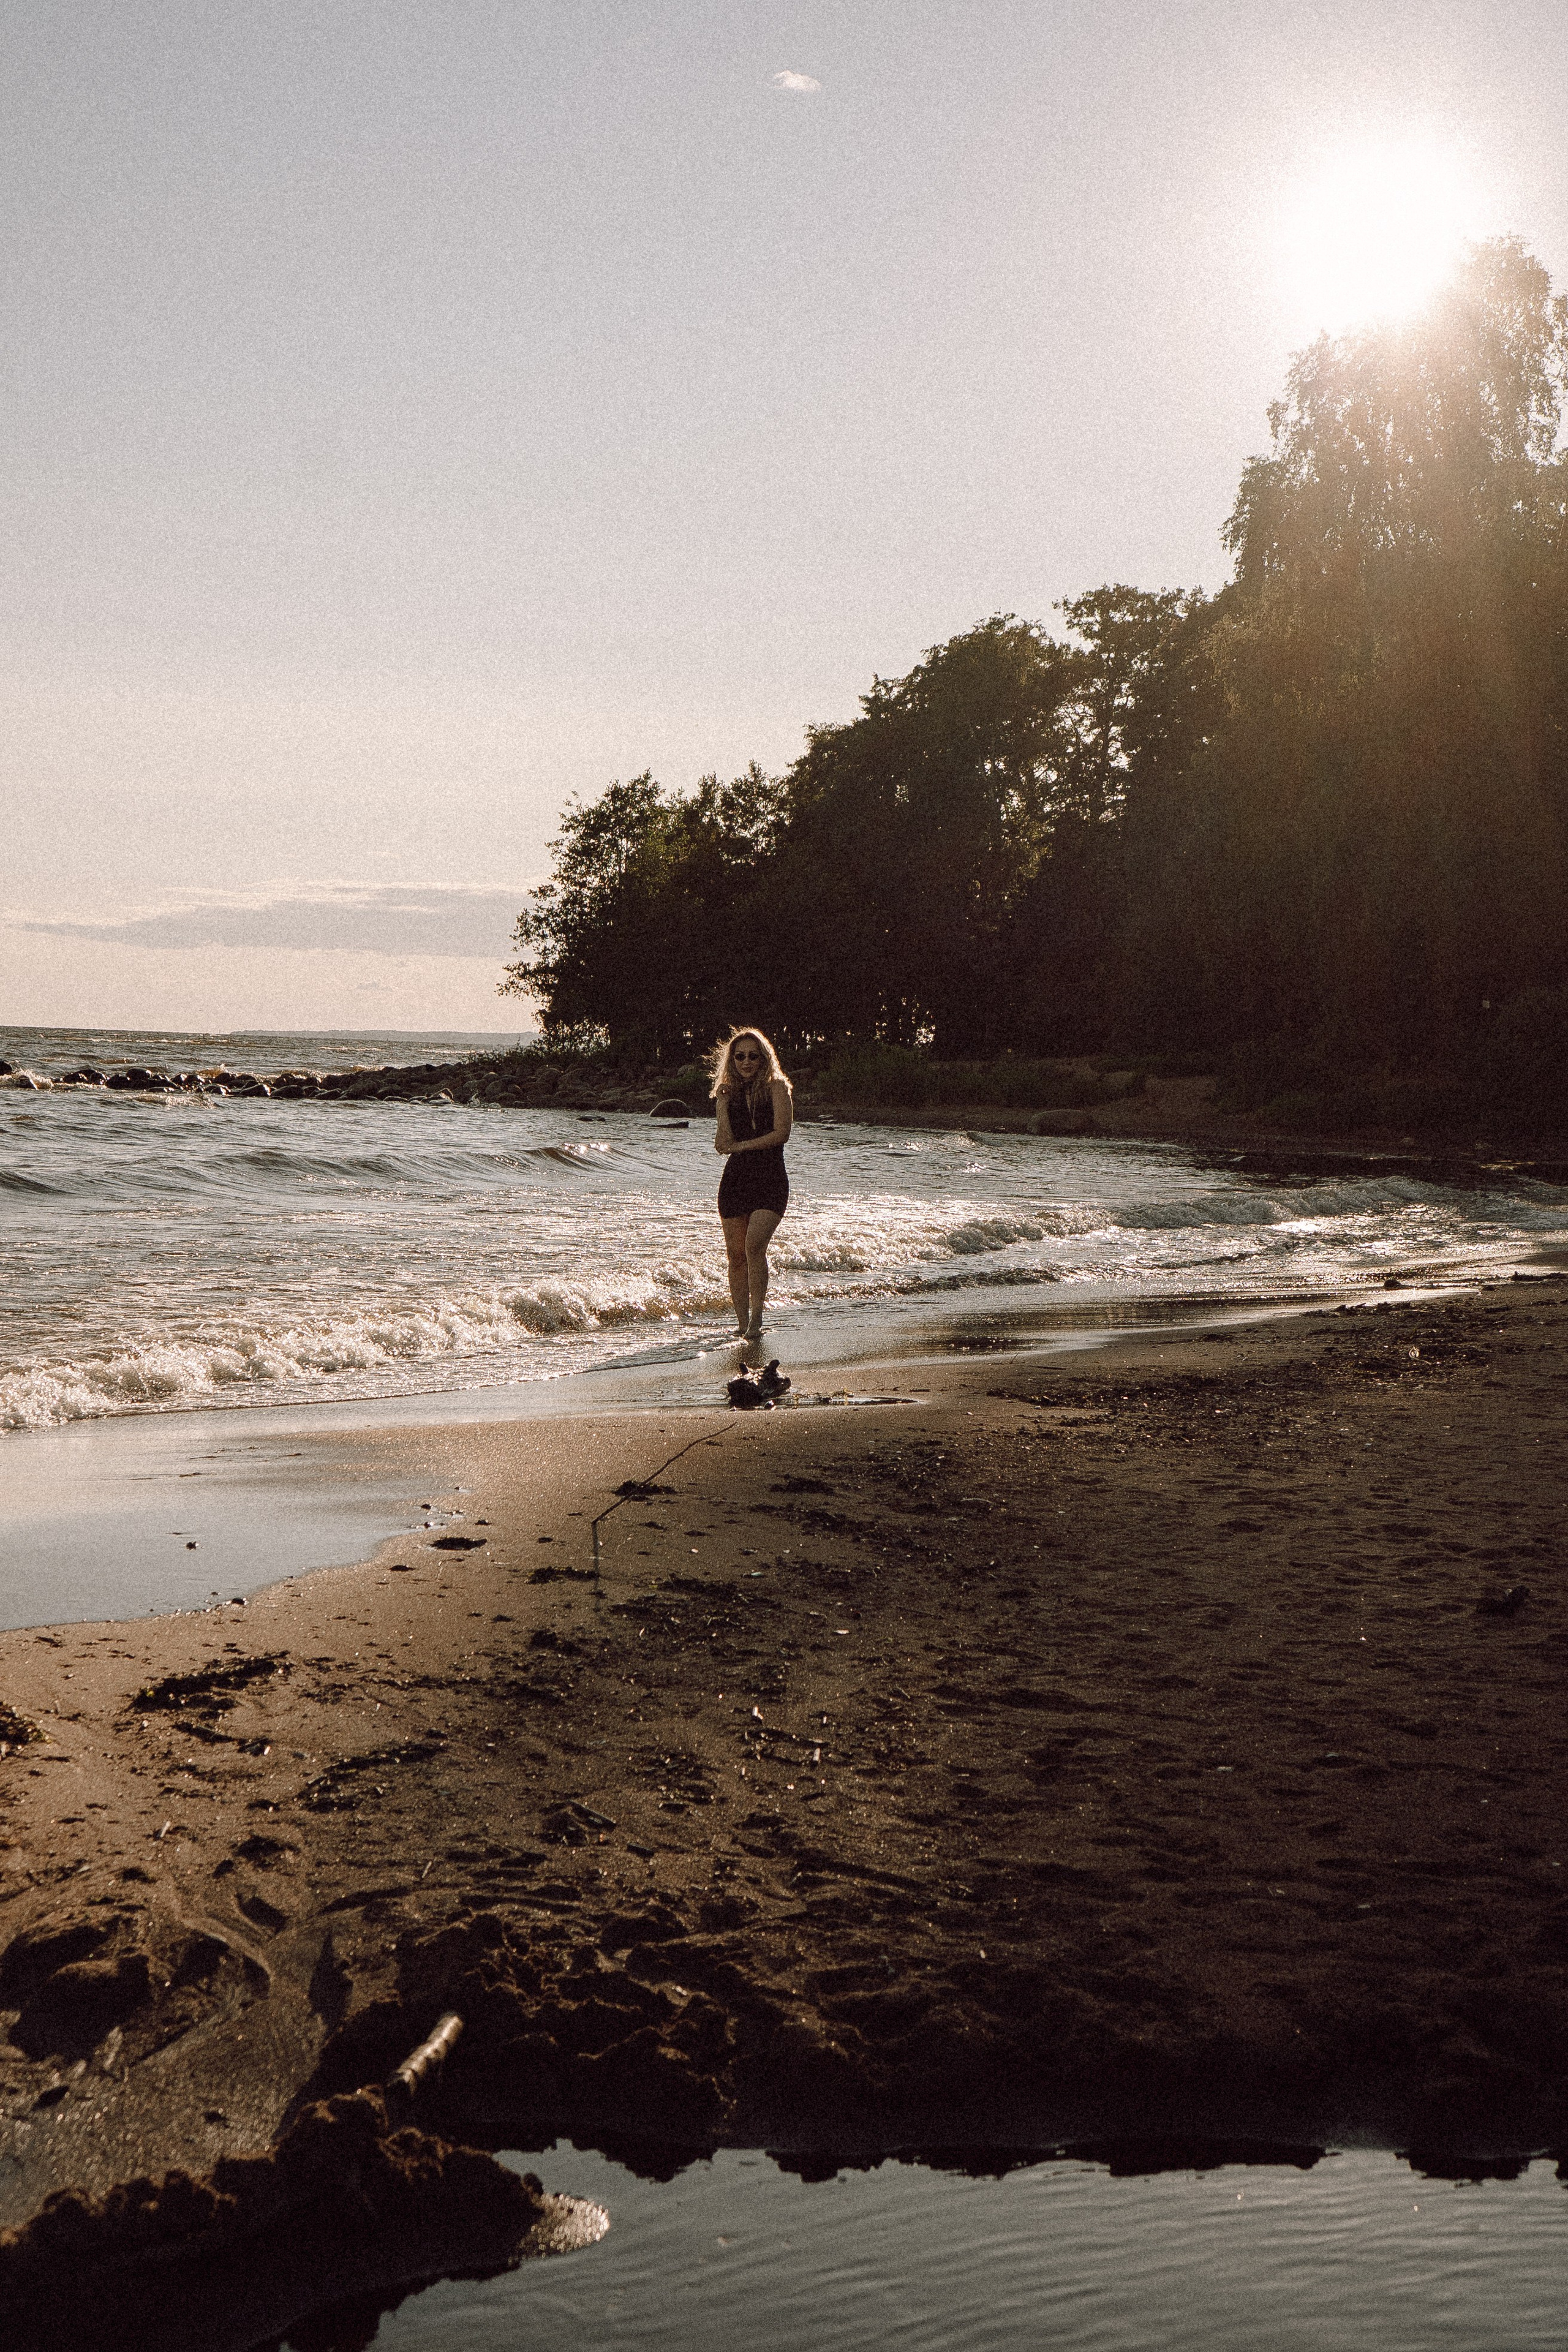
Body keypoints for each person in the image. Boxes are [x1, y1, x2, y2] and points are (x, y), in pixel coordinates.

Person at [712, 1027, 793, 1341]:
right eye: (740, 1056)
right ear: (732, 1059)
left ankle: (757, 1319)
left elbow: (781, 1134)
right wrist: (721, 1105)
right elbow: (722, 1143)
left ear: (764, 1058)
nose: (746, 1062)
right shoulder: (727, 1093)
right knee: (735, 1255)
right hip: (735, 1181)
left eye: (753, 1056)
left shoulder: (778, 1089)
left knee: (754, 1246)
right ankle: (742, 1323)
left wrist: (742, 1146)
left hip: (770, 1179)